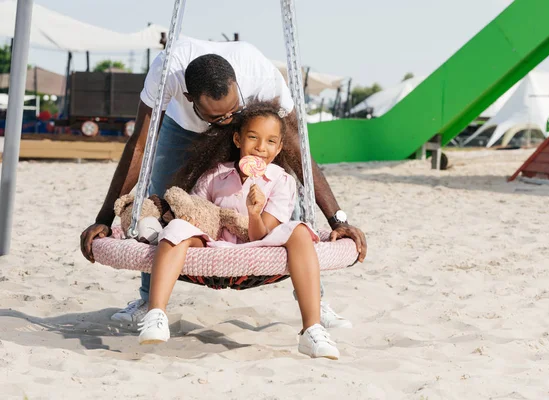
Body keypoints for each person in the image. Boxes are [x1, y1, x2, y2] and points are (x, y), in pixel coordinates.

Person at [79, 37, 367, 326]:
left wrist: (338, 220)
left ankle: (315, 301)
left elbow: (297, 151)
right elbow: (140, 146)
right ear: (190, 97)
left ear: (236, 85)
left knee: (285, 213)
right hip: (181, 127)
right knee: (162, 205)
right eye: (219, 116)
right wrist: (104, 218)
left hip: (251, 123)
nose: (227, 119)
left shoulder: (260, 76)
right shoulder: (166, 72)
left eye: (231, 109)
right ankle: (148, 299)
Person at [138, 101, 339, 359]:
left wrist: (254, 212)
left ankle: (312, 329)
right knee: (176, 228)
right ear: (237, 139)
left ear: (278, 148)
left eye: (270, 142)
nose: (260, 147)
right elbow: (197, 215)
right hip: (213, 243)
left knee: (299, 231)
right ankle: (156, 313)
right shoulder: (215, 175)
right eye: (253, 138)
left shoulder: (281, 181)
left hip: (260, 245)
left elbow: (262, 234)